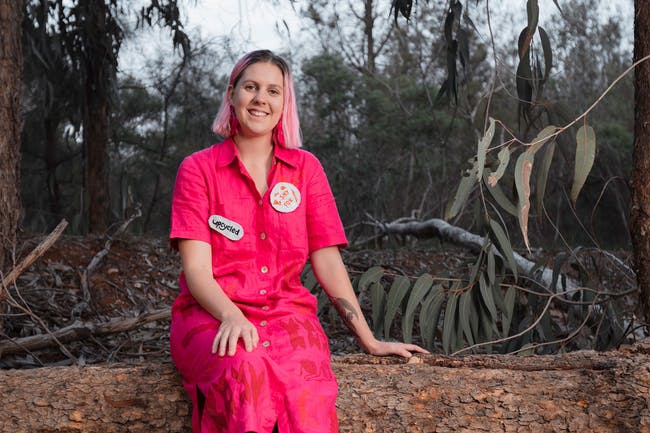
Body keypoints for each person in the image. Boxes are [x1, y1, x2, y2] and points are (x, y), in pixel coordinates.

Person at [169, 49, 427, 433]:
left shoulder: (306, 170)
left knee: (306, 395)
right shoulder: (198, 170)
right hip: (212, 316)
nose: (261, 99)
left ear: (284, 103)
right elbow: (196, 270)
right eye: (251, 87)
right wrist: (232, 316)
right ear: (231, 94)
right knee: (244, 372)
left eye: (273, 91)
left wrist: (369, 339)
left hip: (289, 318)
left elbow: (327, 262)